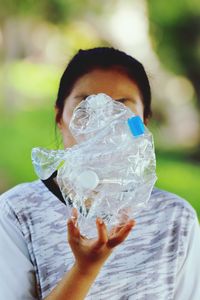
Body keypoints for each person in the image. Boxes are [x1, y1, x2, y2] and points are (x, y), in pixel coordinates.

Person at [0, 47, 200, 300]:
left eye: (120, 107)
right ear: (60, 118)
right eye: (86, 107)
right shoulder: (16, 212)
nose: (103, 123)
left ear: (142, 125)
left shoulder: (176, 219)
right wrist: (84, 270)